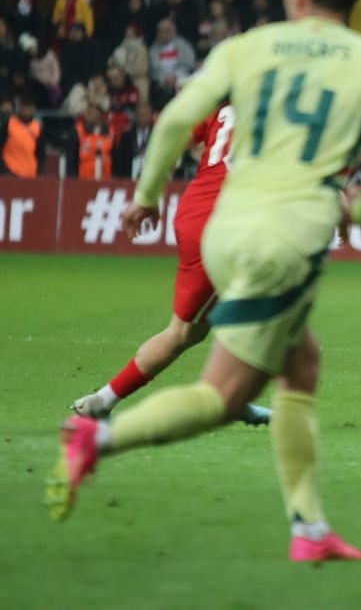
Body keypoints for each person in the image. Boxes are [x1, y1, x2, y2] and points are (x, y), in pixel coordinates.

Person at [46, 0, 361, 566]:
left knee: (301, 363)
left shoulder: (248, 46)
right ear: (351, 3)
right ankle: (96, 438)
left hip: (221, 228)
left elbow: (171, 122)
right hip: (286, 237)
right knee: (221, 396)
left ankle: (310, 527)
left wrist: (147, 195)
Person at [71, 103, 271, 427]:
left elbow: (171, 136)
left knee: (204, 327)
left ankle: (233, 396)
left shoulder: (223, 104)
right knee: (182, 332)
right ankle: (102, 401)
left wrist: (148, 195)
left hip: (199, 213)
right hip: (223, 228)